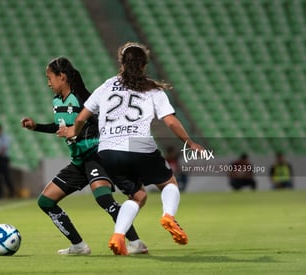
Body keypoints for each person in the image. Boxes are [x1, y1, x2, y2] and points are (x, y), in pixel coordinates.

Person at [58, 42, 204, 255]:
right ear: (144, 65)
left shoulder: (107, 85)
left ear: (122, 63)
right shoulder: (152, 88)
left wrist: (73, 130)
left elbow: (82, 115)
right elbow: (170, 121)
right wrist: (189, 143)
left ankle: (118, 235)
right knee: (168, 182)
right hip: (137, 143)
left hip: (107, 149)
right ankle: (169, 216)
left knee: (137, 196)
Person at [21, 57, 147, 255]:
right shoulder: (57, 101)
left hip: (95, 156)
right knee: (45, 201)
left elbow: (102, 124)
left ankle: (136, 242)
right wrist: (36, 126)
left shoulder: (82, 99)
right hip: (79, 161)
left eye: (49, 78)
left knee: (104, 199)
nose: (48, 82)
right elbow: (63, 127)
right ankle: (79, 246)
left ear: (62, 77)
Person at [0, 123, 15, 198]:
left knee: (6, 176)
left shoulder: (5, 137)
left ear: (0, 129)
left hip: (4, 158)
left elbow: (4, 148)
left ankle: (12, 191)